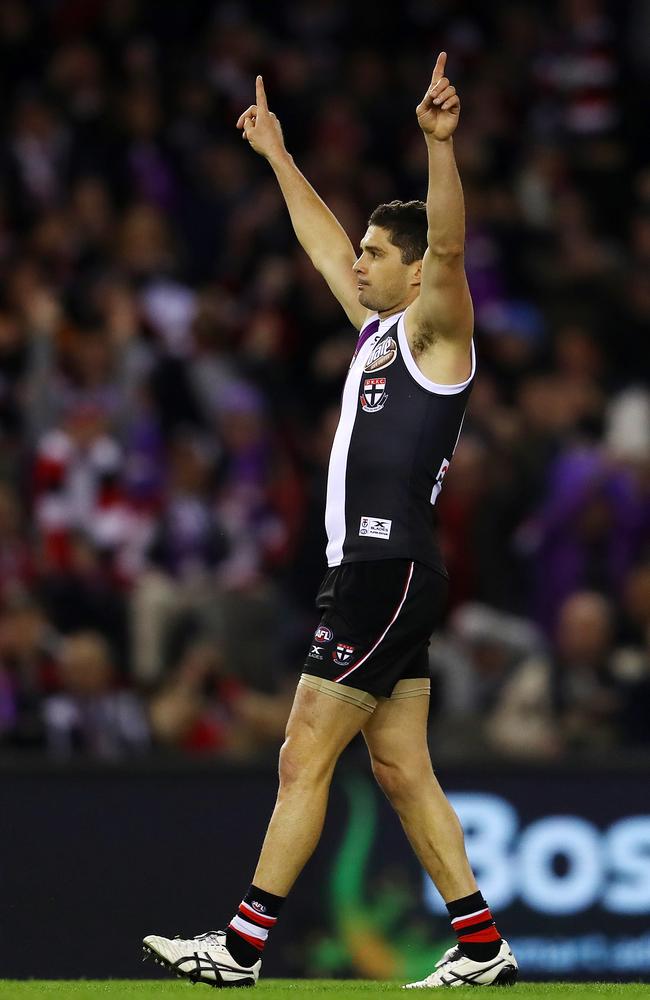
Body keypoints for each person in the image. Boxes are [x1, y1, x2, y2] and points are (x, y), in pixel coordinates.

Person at [143, 53, 518, 989]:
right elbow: (317, 243)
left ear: (413, 269)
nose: (354, 261)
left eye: (374, 254)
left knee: (302, 751)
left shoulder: (438, 335)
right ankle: (482, 949)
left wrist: (440, 149)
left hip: (383, 571)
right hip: (384, 573)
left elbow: (452, 250)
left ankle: (238, 949)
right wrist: (276, 154)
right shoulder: (377, 331)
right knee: (400, 771)